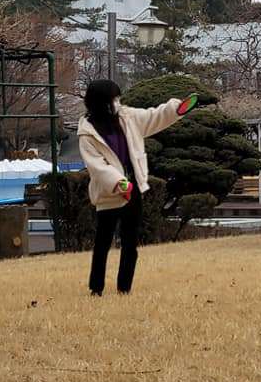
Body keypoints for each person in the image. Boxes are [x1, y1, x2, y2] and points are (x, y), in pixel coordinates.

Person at [78, 79, 197, 296]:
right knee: (102, 243)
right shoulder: (87, 132)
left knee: (130, 243)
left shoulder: (128, 117)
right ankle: (96, 289)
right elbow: (96, 166)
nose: (117, 102)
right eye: (114, 98)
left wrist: (176, 110)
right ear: (101, 101)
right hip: (108, 194)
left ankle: (124, 288)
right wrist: (118, 182)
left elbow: (153, 116)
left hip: (133, 190)